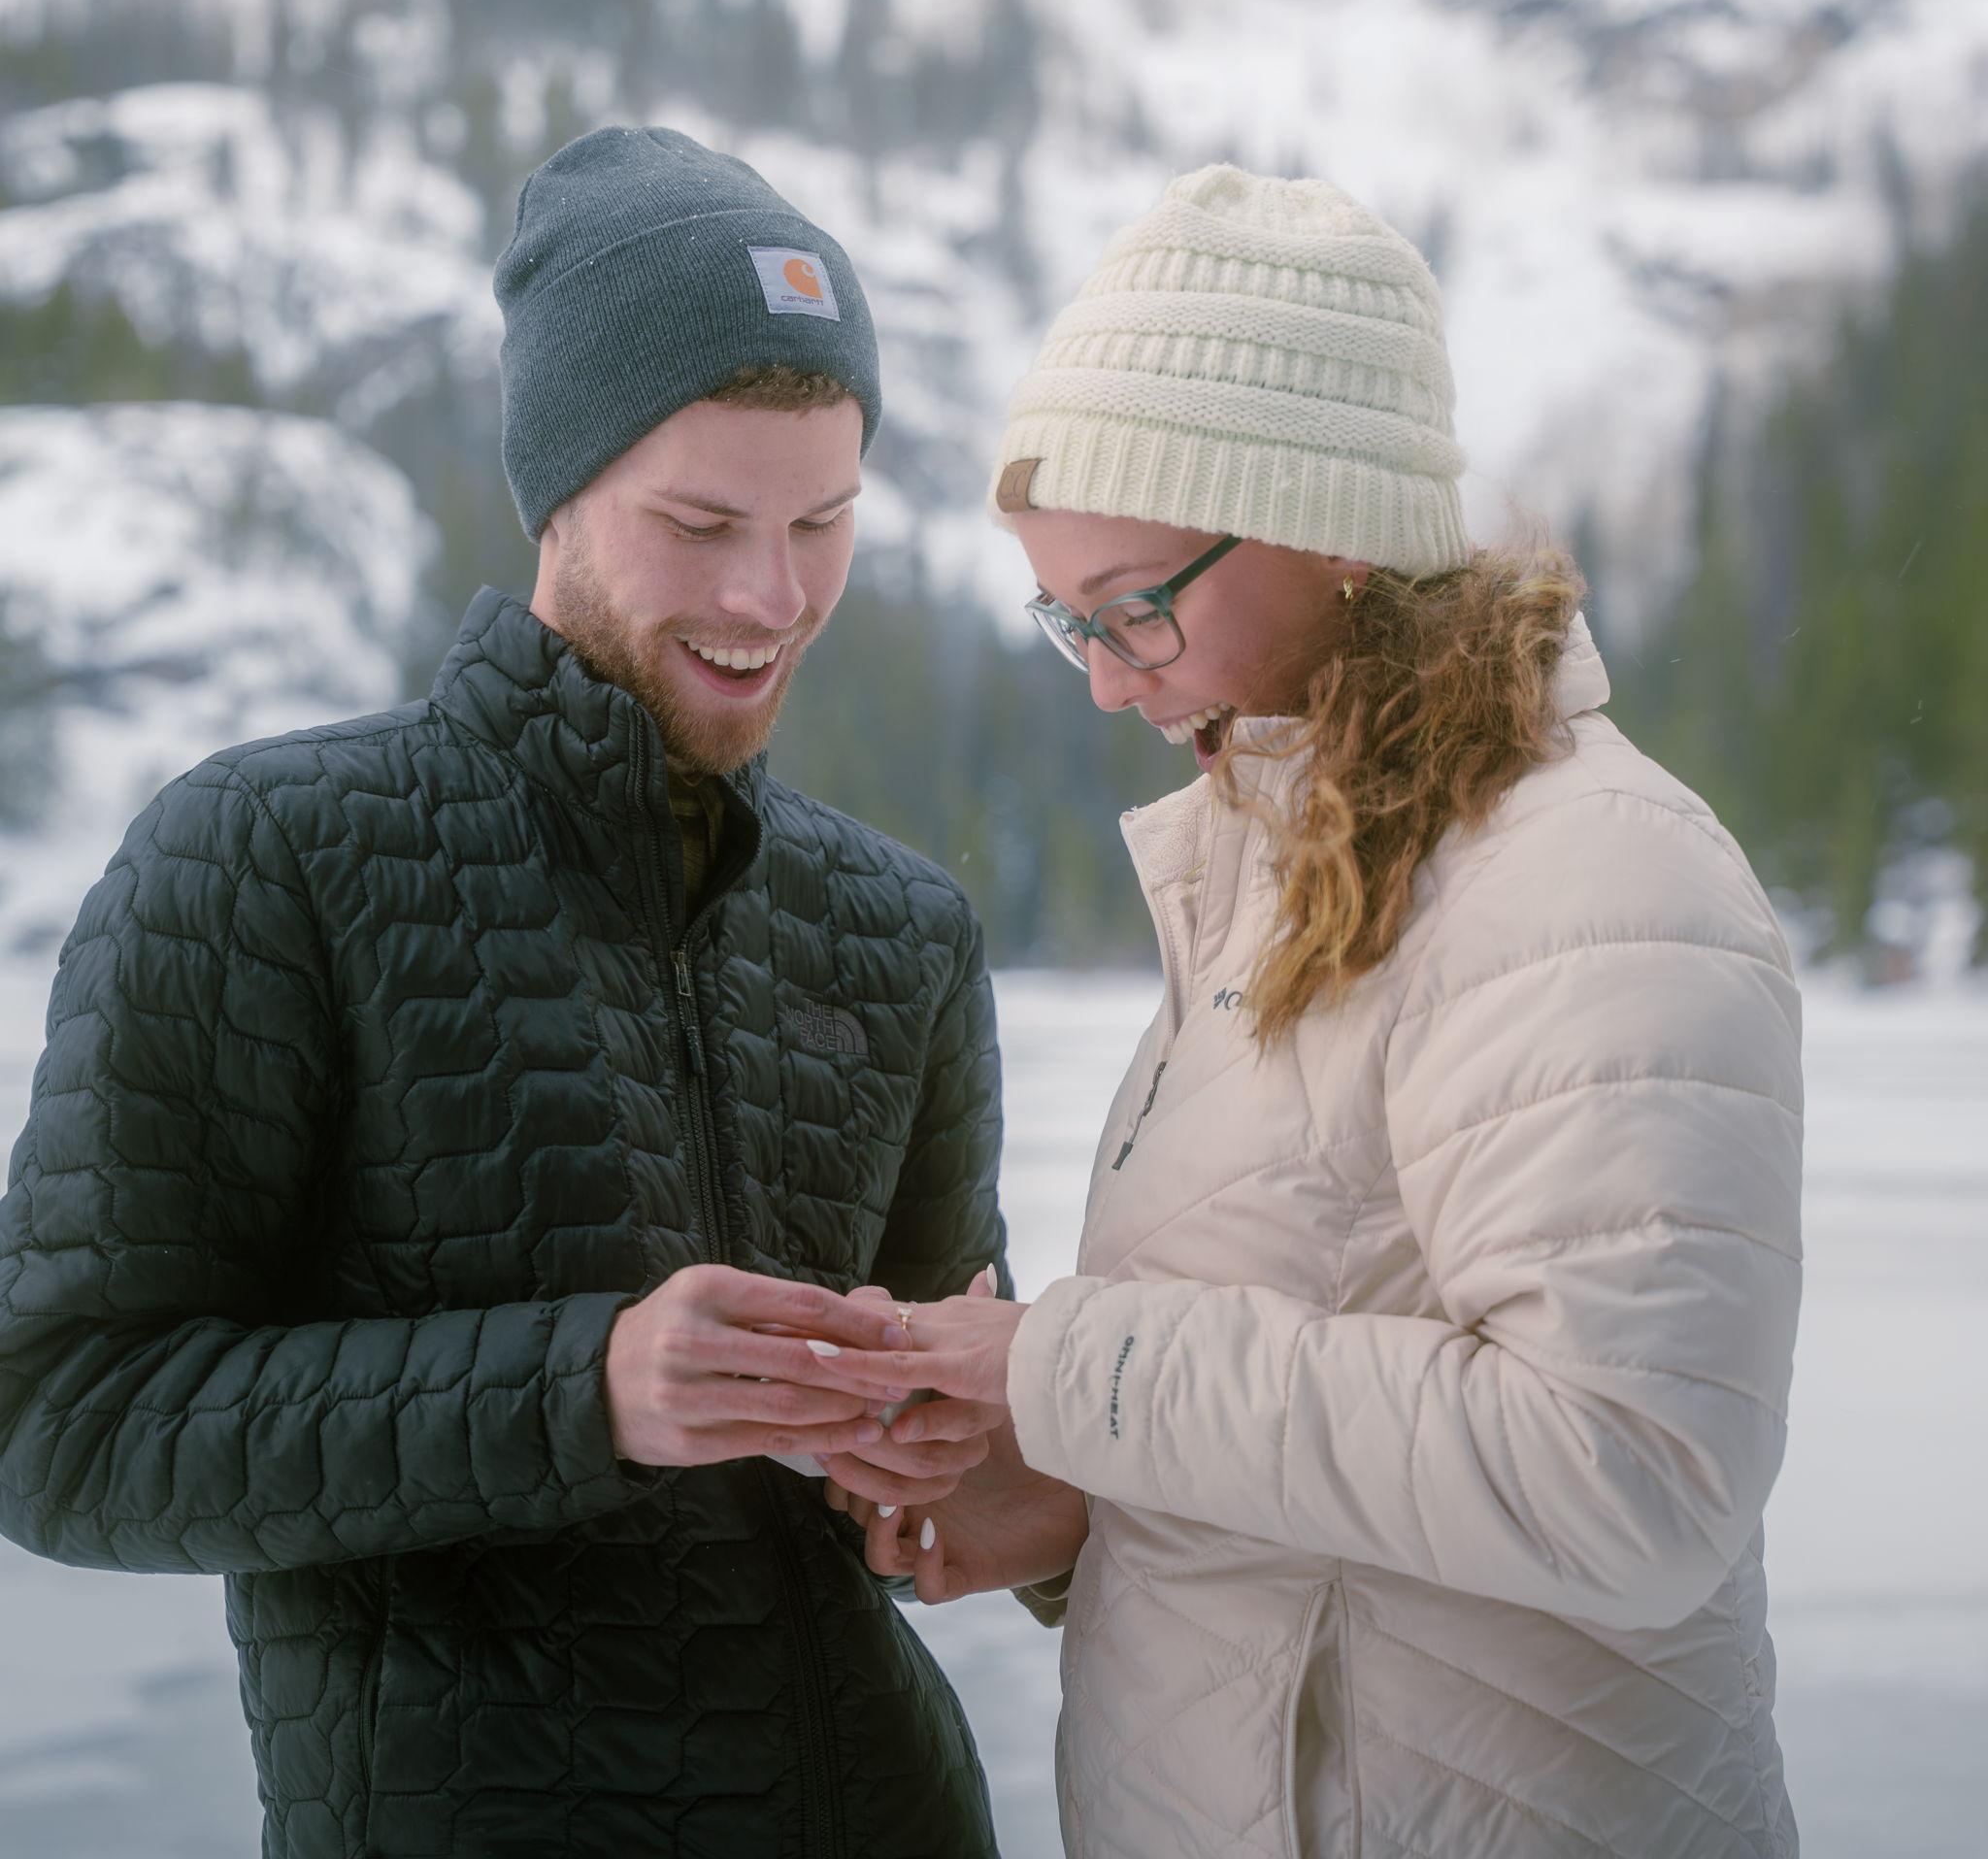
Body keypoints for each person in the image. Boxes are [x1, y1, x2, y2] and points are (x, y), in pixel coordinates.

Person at [0, 125, 1010, 1859]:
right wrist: (586, 1389)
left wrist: (961, 1457)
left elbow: (947, 1441)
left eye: (824, 524)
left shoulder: (901, 929)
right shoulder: (266, 856)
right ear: (559, 492)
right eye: (701, 524)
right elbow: (61, 1424)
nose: (771, 598)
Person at [821, 165, 1804, 1857]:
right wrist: (1075, 1507)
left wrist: (1067, 1371)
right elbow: (1320, 1409)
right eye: (1071, 621)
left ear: (1327, 526)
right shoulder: (1278, 884)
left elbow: (1628, 1484)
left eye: (1141, 606)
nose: (1115, 679)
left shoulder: (1588, 885)